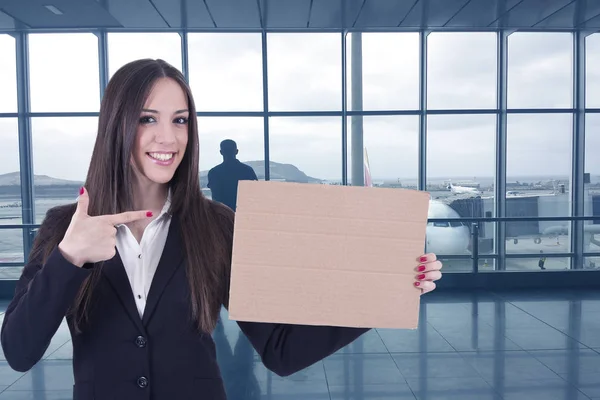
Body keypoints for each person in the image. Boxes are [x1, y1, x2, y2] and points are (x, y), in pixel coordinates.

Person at [0, 59, 443, 400]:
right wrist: (69, 258)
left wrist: (387, 289)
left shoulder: (215, 226)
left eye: (180, 120)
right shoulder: (66, 226)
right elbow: (19, 351)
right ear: (117, 125)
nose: (168, 138)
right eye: (147, 118)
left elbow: (282, 350)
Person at [207, 139, 258, 211]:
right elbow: (255, 194)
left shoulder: (214, 172)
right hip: (244, 213)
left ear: (221, 152)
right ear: (236, 151)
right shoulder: (247, 170)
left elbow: (216, 198)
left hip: (222, 215)